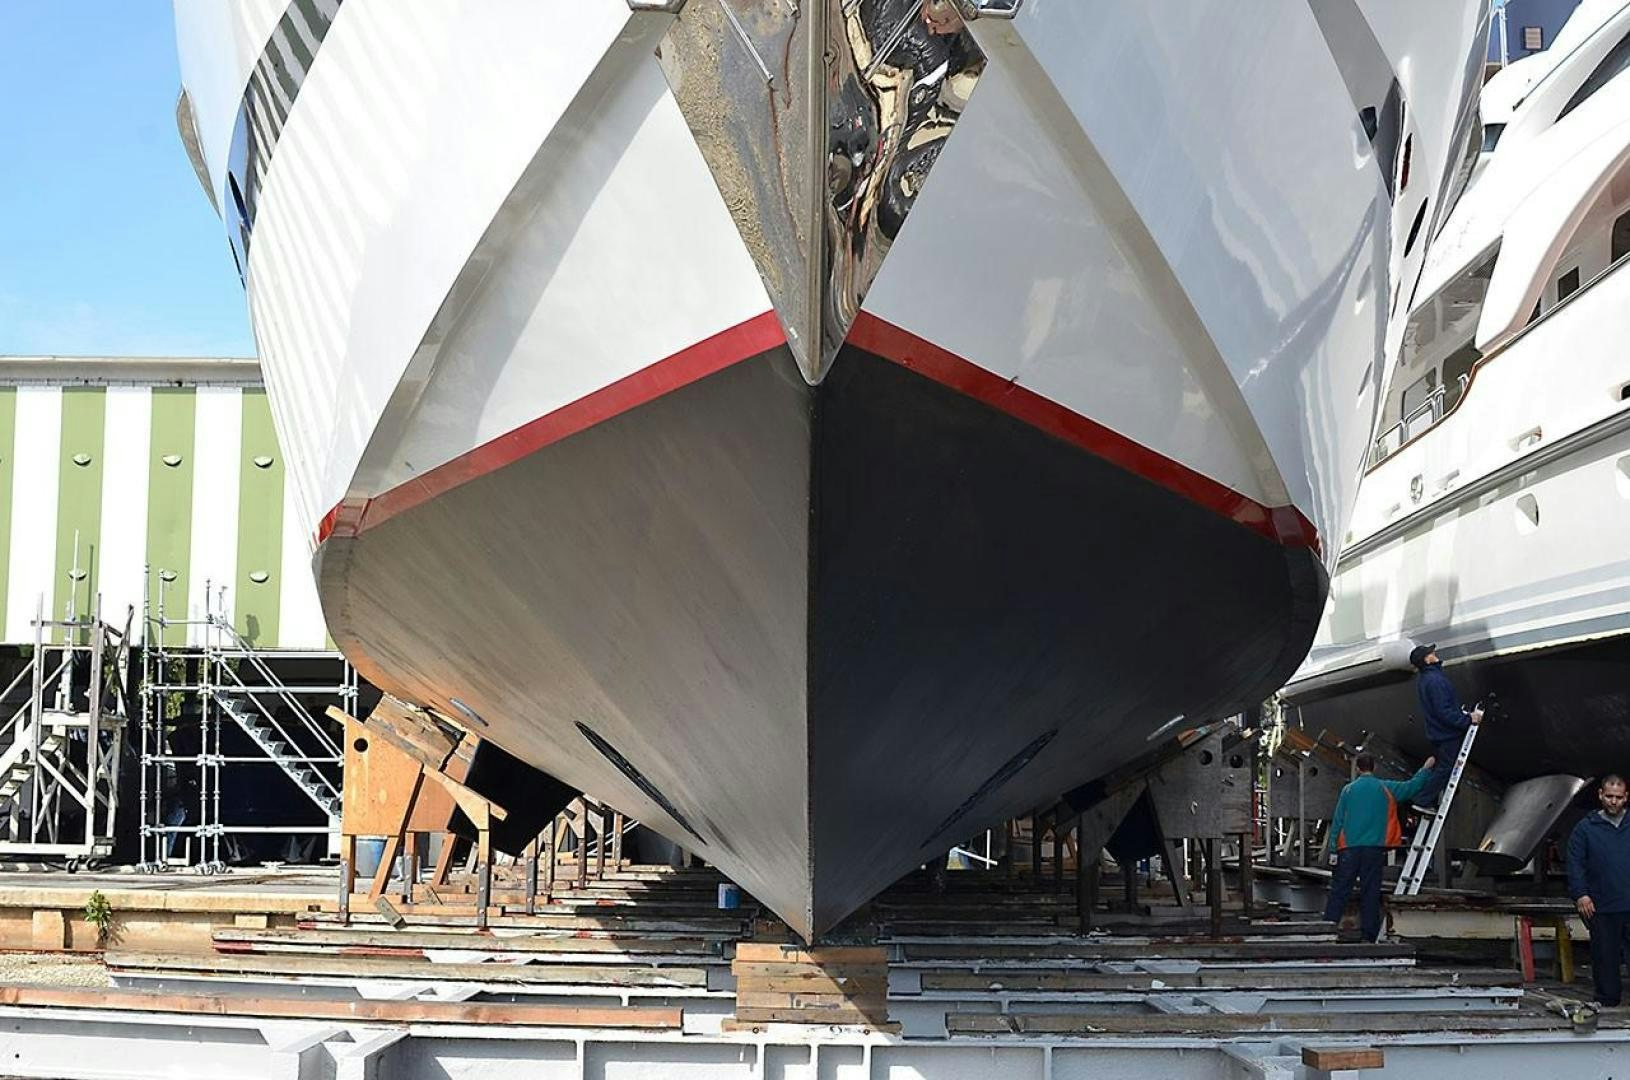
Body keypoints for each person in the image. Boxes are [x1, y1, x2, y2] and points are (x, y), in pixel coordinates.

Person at [1324, 752, 1435, 942]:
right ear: (1373, 768)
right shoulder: (1385, 788)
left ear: (1358, 769)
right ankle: (1369, 935)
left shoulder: (1348, 791)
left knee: (1340, 890)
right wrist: (1425, 770)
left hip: (1348, 848)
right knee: (1371, 891)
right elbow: (1411, 788)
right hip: (1374, 849)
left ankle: (1326, 930)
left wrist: (1333, 849)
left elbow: (1338, 821)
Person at [1568, 775, 1630, 1006]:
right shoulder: (1585, 829)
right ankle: (1607, 1000)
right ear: (1601, 796)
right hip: (1601, 905)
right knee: (1605, 957)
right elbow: (1575, 863)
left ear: (1626, 798)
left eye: (1619, 797)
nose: (1614, 801)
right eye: (1610, 796)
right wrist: (1581, 894)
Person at [1410, 644, 1482, 809]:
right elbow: (1444, 712)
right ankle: (1422, 798)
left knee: (1443, 767)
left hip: (1437, 733)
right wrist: (1467, 719)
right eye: (1431, 653)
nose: (1434, 653)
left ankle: (1430, 796)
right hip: (1447, 734)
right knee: (1447, 768)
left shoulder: (1425, 679)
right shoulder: (1435, 680)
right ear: (1427, 659)